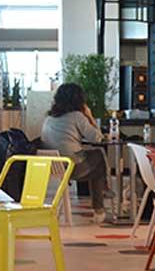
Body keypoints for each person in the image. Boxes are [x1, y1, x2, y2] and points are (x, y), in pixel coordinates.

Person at [38, 84, 109, 219]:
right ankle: (100, 205)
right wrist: (89, 116)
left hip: (53, 166)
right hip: (72, 167)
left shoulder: (49, 118)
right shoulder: (77, 116)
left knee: (95, 165)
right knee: (98, 156)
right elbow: (97, 138)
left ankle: (102, 197)